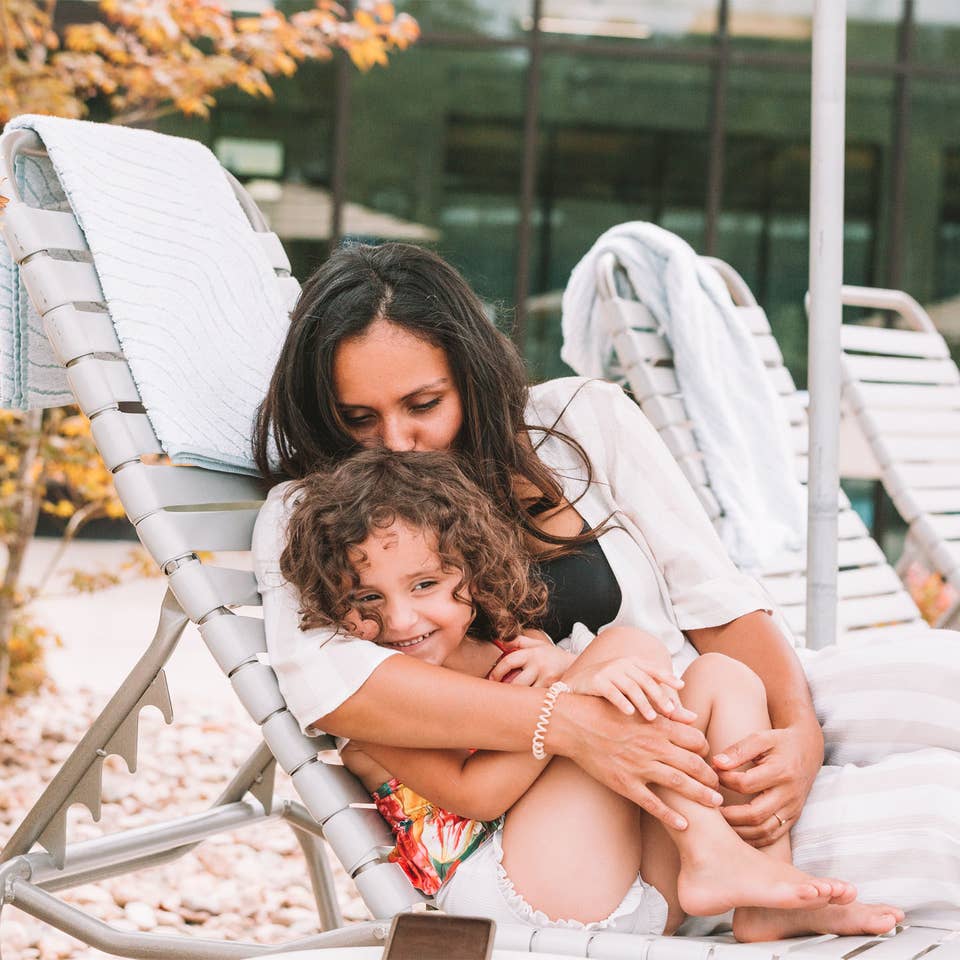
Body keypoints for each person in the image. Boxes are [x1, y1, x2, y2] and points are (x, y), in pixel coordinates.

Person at [253, 242, 960, 919]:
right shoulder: (315, 514)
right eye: (360, 419)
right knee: (941, 813)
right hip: (607, 815)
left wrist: (799, 731)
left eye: (423, 404)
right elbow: (340, 687)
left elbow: (717, 597)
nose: (399, 441)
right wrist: (574, 722)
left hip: (707, 709)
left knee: (944, 674)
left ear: (469, 374)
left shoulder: (579, 422)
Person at [278, 448, 902, 940]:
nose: (402, 620)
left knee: (722, 676)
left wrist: (563, 669)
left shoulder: (511, 648)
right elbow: (478, 793)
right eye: (367, 599)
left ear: (469, 571)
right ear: (334, 602)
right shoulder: (380, 705)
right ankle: (713, 856)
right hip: (515, 896)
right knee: (624, 653)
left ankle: (765, 888)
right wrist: (574, 691)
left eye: (425, 584)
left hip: (636, 881)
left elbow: (607, 712)